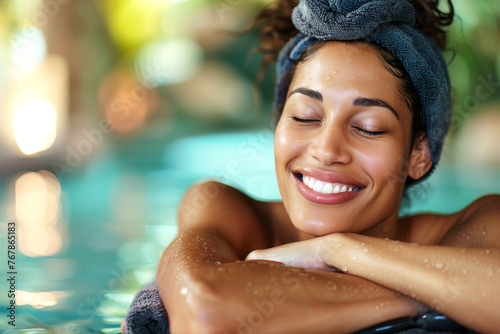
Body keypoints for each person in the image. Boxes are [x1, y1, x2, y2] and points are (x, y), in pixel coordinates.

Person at [123, 0, 500, 333]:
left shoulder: (478, 224)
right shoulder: (225, 209)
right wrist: (437, 293)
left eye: (367, 127)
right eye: (305, 117)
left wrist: (337, 252)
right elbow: (206, 314)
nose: (326, 149)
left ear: (418, 155)